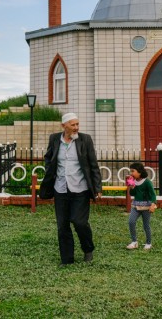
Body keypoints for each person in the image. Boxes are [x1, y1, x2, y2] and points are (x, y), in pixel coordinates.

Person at [39, 113, 102, 266]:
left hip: (81, 188)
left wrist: (97, 187)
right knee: (63, 225)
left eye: (77, 124)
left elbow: (93, 164)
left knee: (79, 222)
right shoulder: (55, 139)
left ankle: (88, 249)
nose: (76, 128)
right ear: (64, 126)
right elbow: (48, 157)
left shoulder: (85, 139)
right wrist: (50, 170)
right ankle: (67, 259)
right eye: (73, 125)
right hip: (60, 188)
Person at [126, 162, 157, 250]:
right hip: (136, 206)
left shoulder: (147, 182)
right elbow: (132, 194)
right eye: (131, 171)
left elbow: (153, 194)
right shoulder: (133, 181)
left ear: (139, 172)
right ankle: (134, 242)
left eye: (133, 171)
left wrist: (153, 204)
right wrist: (132, 187)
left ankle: (148, 243)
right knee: (131, 222)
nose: (131, 173)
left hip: (146, 207)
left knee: (146, 225)